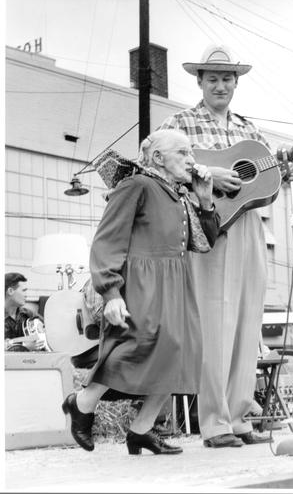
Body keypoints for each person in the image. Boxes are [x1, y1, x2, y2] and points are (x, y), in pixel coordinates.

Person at [158, 44, 293, 448]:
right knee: (214, 323)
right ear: (199, 81)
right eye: (212, 78)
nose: (220, 85)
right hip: (207, 228)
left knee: (248, 322)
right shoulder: (180, 122)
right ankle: (213, 422)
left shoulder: (249, 130)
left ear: (236, 83)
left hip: (248, 226)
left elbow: (274, 175)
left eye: (227, 78)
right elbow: (156, 162)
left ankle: (241, 414)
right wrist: (206, 171)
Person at [62, 129, 220, 455]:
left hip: (176, 283)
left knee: (181, 352)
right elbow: (108, 240)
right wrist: (111, 293)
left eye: (192, 153)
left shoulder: (179, 195)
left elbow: (207, 241)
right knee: (132, 346)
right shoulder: (136, 185)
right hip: (140, 282)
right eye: (183, 153)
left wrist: (205, 198)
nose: (192, 160)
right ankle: (82, 403)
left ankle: (141, 429)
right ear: (158, 158)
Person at [4, 272, 48, 352]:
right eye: (23, 290)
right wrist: (23, 346)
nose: (26, 295)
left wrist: (41, 326)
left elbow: (46, 326)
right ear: (10, 291)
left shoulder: (26, 313)